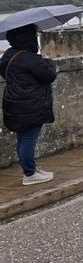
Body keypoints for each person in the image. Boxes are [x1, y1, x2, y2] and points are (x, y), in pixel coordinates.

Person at [1, 24, 57, 186]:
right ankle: (30, 174)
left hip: (14, 103)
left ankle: (31, 169)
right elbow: (48, 75)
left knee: (22, 139)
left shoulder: (9, 55)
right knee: (29, 139)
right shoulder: (28, 58)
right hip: (30, 105)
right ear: (27, 37)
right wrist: (49, 62)